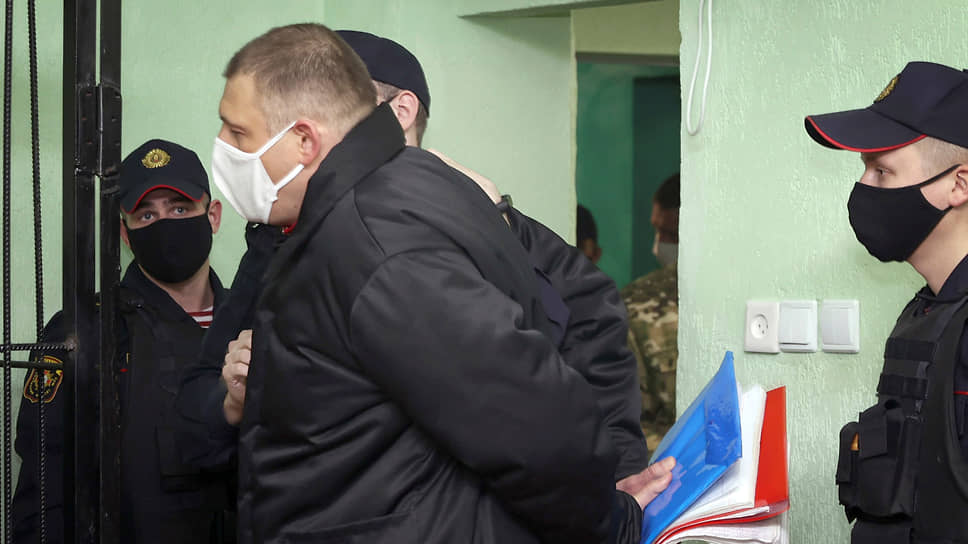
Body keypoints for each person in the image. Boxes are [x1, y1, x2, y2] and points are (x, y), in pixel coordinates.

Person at [209, 23, 672, 543]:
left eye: (237, 133)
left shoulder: (375, 243)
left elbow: (526, 415)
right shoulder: (383, 202)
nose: (222, 147)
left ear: (304, 140)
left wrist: (613, 520)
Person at [12, 139, 233, 543]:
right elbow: (44, 497)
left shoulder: (256, 322)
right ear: (125, 234)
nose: (164, 224)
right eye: (146, 215)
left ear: (213, 215)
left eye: (180, 209)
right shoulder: (84, 331)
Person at [804, 61, 968, 543]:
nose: (864, 188)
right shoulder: (927, 309)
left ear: (959, 185)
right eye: (864, 169)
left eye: (882, 171)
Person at [622, 173, 679, 453]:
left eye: (671, 235)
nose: (660, 243)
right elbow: (624, 423)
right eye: (659, 231)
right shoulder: (637, 303)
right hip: (664, 465)